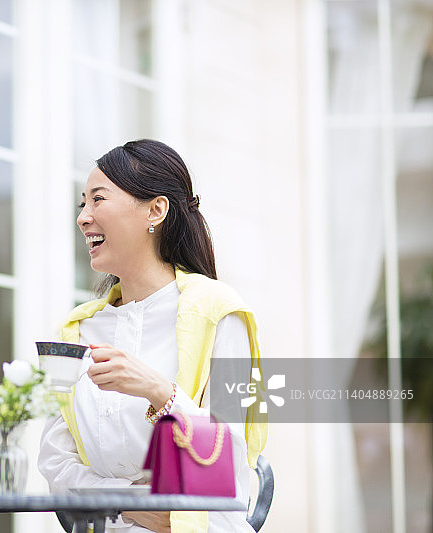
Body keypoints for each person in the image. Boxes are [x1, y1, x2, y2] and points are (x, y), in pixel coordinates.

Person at [38, 139, 268, 533]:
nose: (83, 217)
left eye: (98, 199)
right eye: (82, 204)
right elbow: (56, 461)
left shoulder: (221, 312)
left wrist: (162, 393)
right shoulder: (76, 331)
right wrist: (128, 500)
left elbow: (231, 456)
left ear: (155, 210)